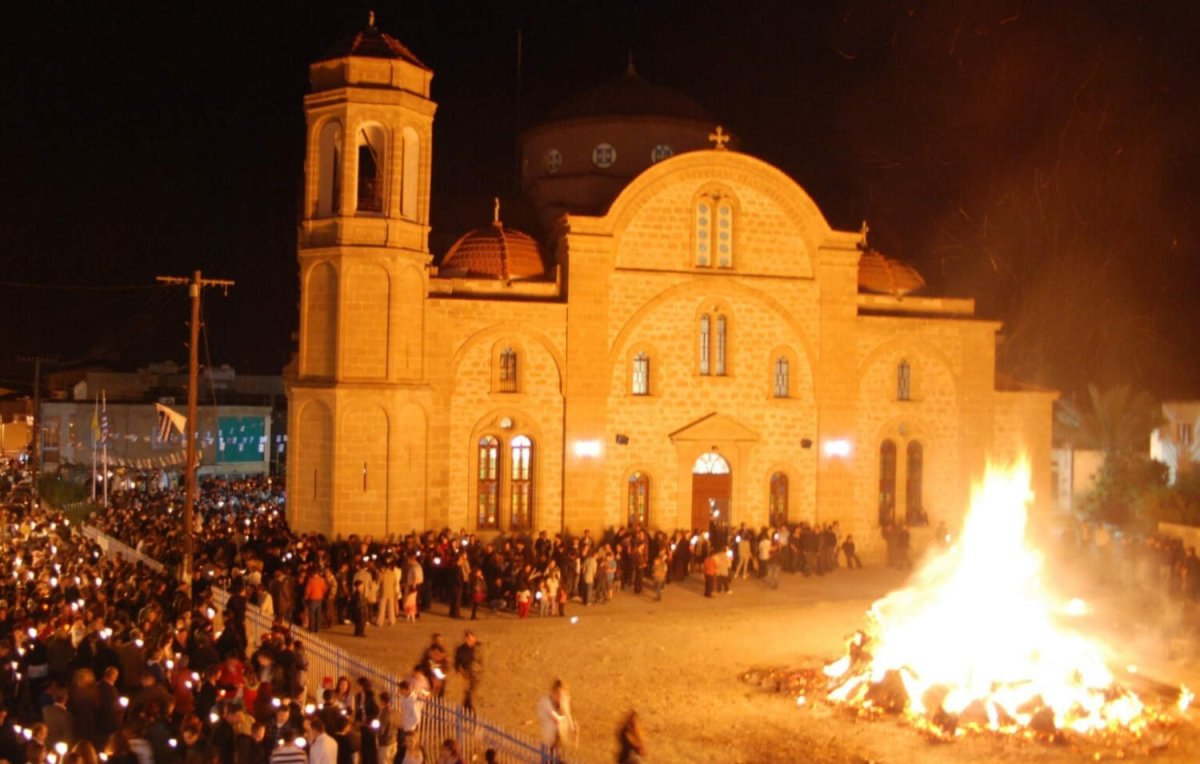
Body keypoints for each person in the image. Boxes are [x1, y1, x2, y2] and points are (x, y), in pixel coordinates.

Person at [535, 679, 577, 756]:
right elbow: (557, 718)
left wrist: (572, 727)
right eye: (558, 694)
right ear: (553, 692)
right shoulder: (546, 703)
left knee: (561, 756)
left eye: (562, 695)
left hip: (561, 740)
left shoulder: (563, 701)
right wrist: (565, 718)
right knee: (549, 757)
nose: (560, 697)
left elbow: (568, 714)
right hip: (549, 739)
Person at [452, 631, 482, 714]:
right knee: (467, 693)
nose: (471, 641)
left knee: (471, 693)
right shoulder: (461, 650)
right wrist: (461, 671)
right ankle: (468, 709)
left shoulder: (478, 648)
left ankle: (468, 709)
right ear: (466, 639)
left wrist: (478, 668)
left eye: (472, 639)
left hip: (476, 674)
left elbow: (481, 661)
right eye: (469, 640)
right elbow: (457, 662)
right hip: (465, 674)